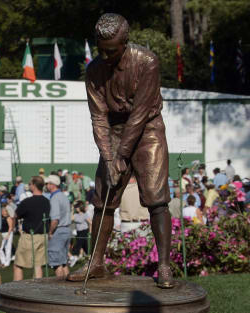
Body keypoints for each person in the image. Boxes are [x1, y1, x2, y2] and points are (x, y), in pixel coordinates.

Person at [67, 13, 174, 288]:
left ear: (125, 43)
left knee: (156, 198)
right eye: (100, 50)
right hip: (113, 132)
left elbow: (139, 114)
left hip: (148, 129)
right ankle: (96, 263)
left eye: (111, 51)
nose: (105, 56)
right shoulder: (94, 71)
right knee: (103, 198)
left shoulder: (147, 62)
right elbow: (98, 117)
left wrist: (123, 155)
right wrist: (109, 156)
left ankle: (164, 265)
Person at [13, 176, 50, 281]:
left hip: (30, 236)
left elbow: (16, 214)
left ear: (34, 185)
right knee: (38, 265)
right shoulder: (47, 202)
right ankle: (37, 289)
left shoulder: (27, 202)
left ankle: (16, 290)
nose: (29, 186)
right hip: (43, 236)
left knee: (18, 265)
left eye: (30, 184)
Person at [45, 175, 71, 279]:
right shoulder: (63, 196)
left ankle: (61, 288)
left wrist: (50, 232)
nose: (46, 185)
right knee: (63, 262)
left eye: (48, 183)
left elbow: (55, 219)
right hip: (66, 229)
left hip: (58, 231)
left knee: (56, 263)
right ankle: (68, 288)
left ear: (52, 185)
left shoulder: (55, 198)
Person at [69, 200, 92, 266]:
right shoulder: (75, 215)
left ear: (81, 207)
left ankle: (74, 255)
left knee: (78, 244)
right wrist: (72, 209)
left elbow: (90, 223)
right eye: (76, 207)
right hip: (78, 232)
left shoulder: (85, 215)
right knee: (85, 247)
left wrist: (90, 232)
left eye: (77, 207)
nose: (76, 208)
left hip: (84, 231)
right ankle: (89, 257)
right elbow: (71, 219)